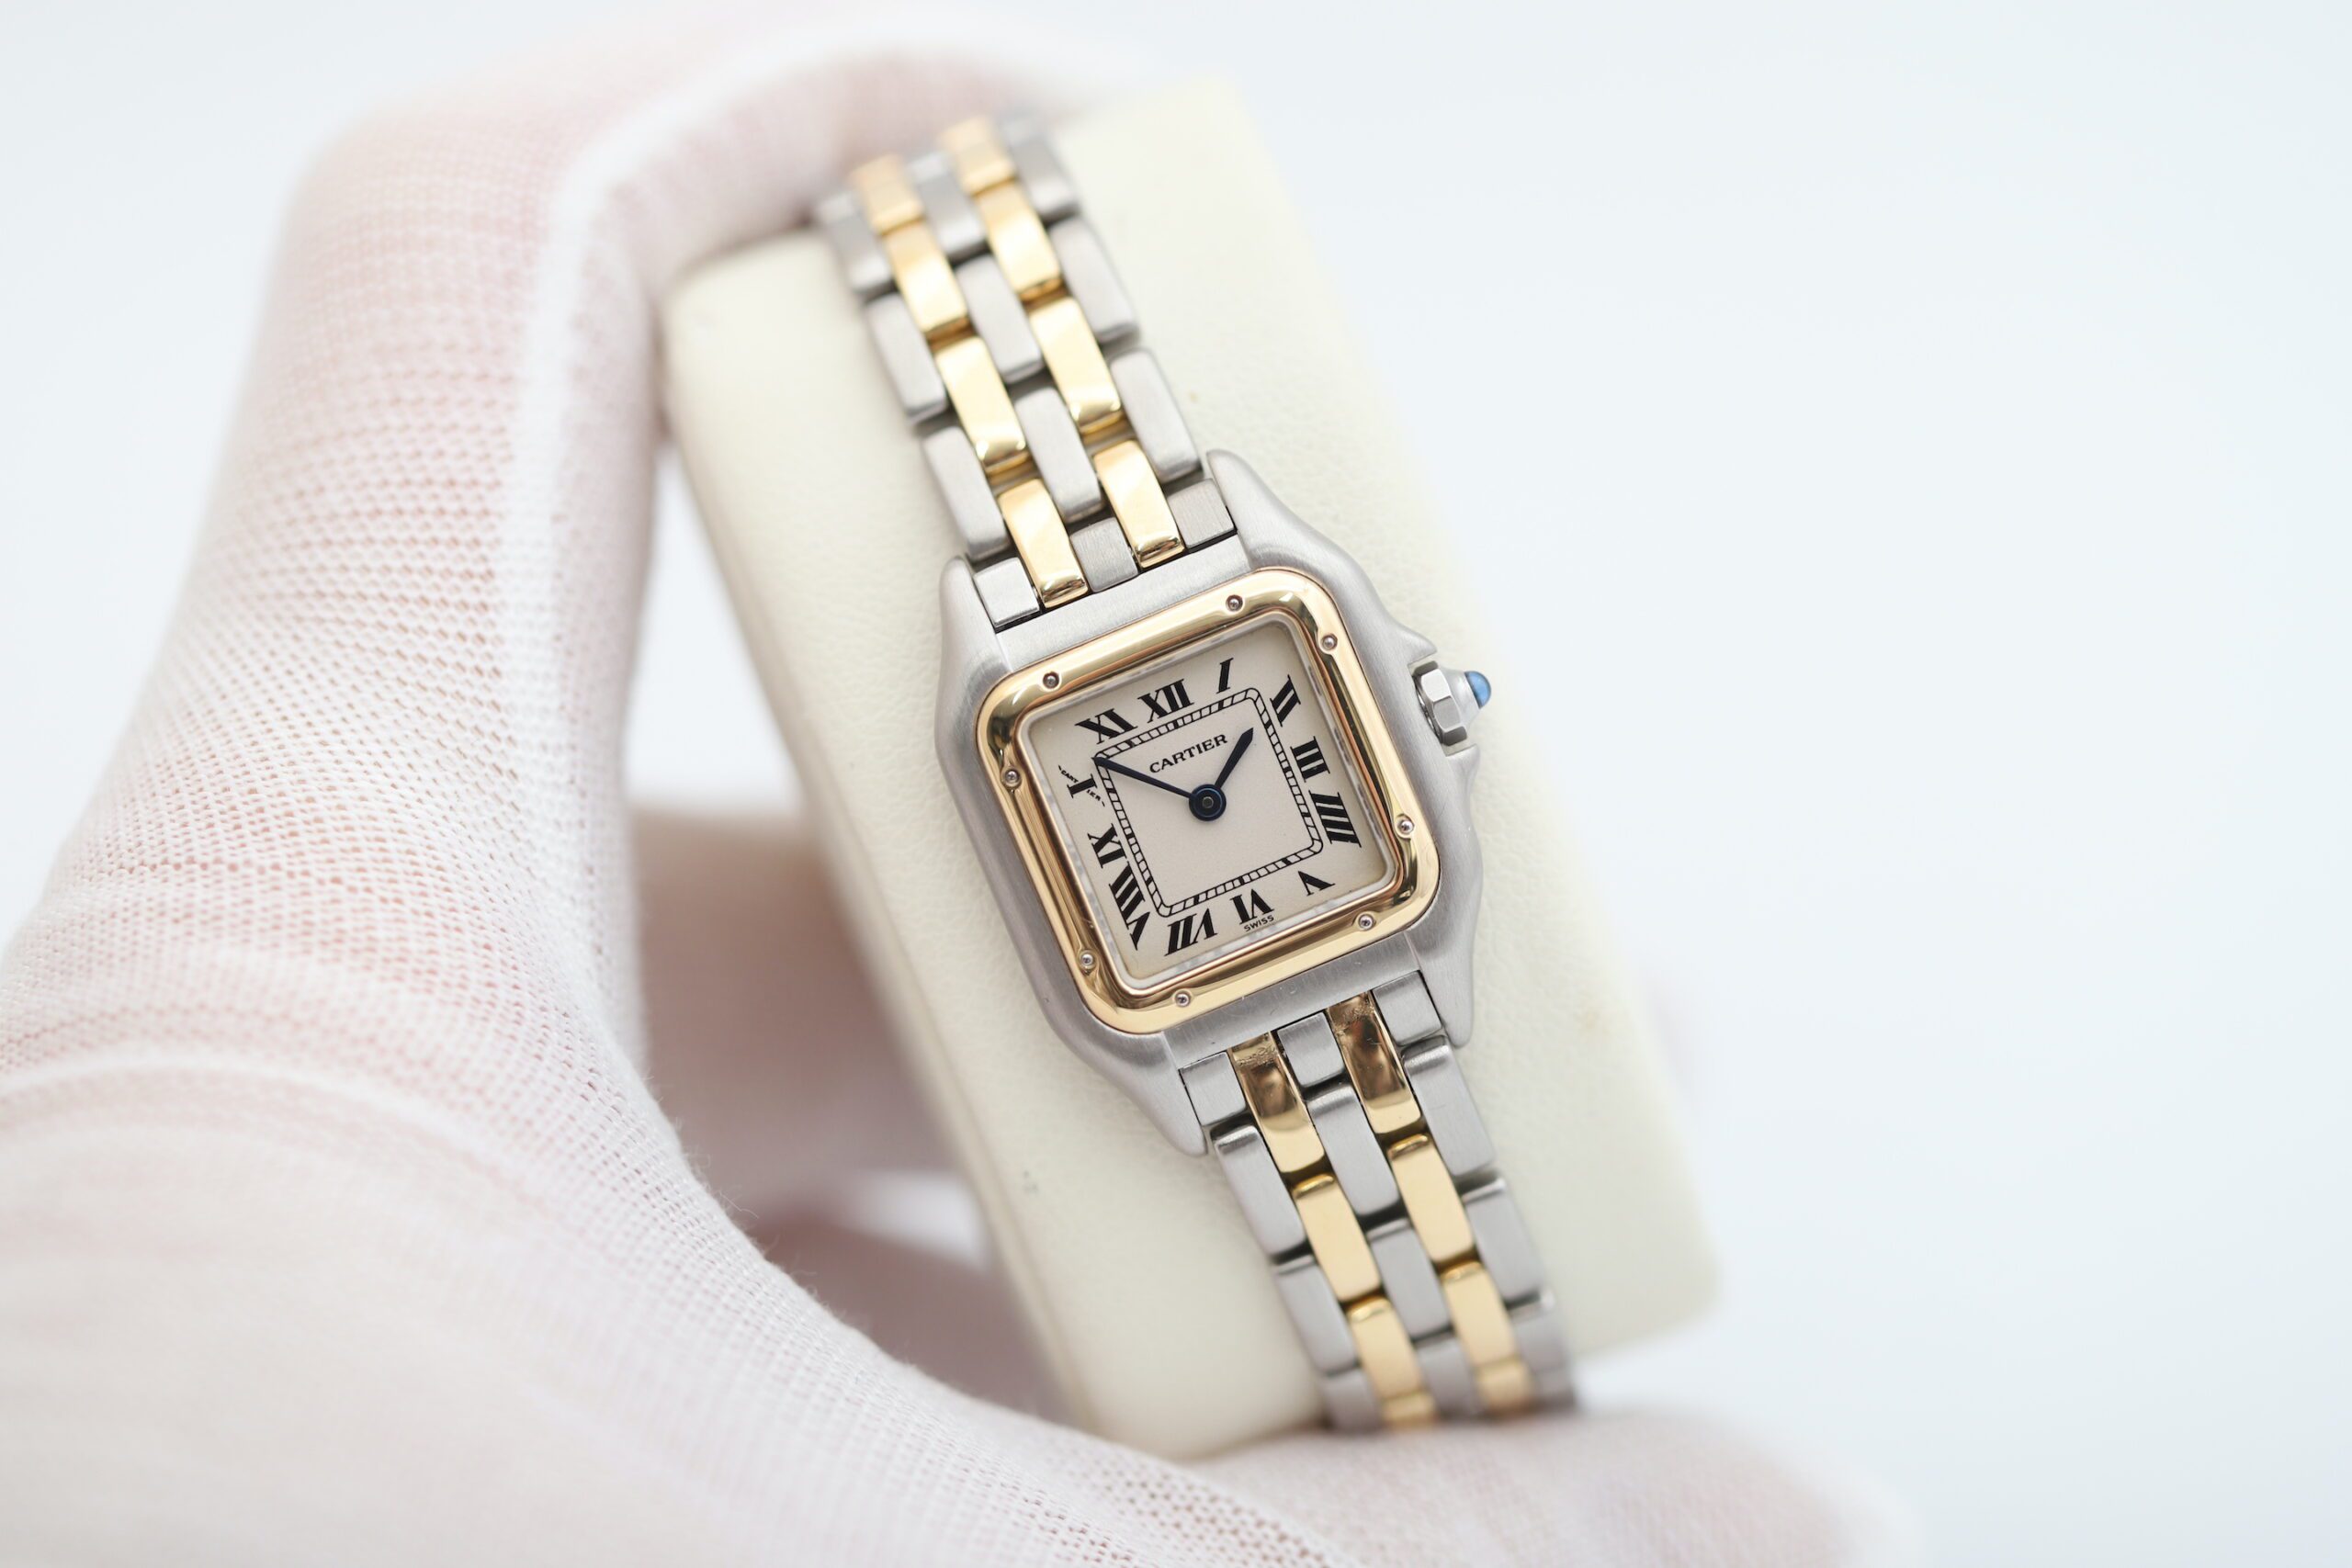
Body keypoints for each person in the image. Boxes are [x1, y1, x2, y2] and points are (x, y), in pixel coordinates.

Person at [0, 15, 1910, 1563]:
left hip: (1323, 977)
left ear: (1411, 709)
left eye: (1234, 756)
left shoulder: (1281, 639)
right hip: (1190, 1031)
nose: (1208, 790)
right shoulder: (1048, 749)